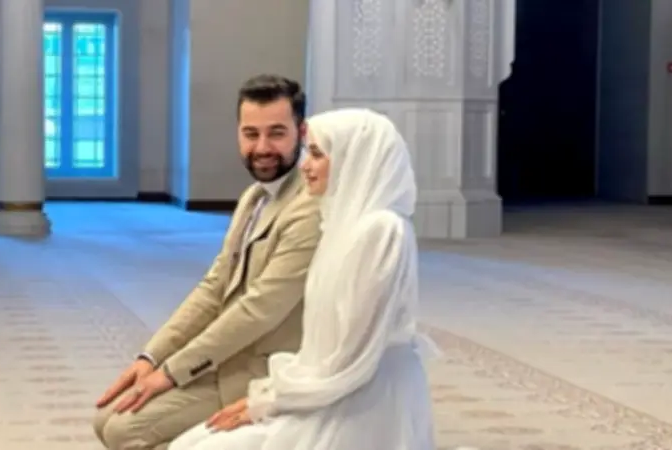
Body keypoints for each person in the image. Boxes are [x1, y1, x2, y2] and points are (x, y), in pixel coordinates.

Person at [168, 108, 441, 450]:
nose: (305, 166)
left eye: (316, 154)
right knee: (195, 441)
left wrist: (269, 403)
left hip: (363, 402)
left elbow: (354, 358)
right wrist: (267, 394)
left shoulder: (381, 231)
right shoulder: (341, 226)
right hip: (325, 389)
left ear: (353, 160)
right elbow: (321, 349)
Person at [93, 74, 322, 450]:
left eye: (276, 133)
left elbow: (257, 310)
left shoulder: (308, 208)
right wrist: (152, 356)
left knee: (124, 431)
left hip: (261, 373)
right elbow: (214, 288)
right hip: (224, 358)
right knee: (106, 419)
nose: (262, 147)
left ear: (301, 132)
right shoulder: (254, 197)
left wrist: (172, 373)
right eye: (251, 134)